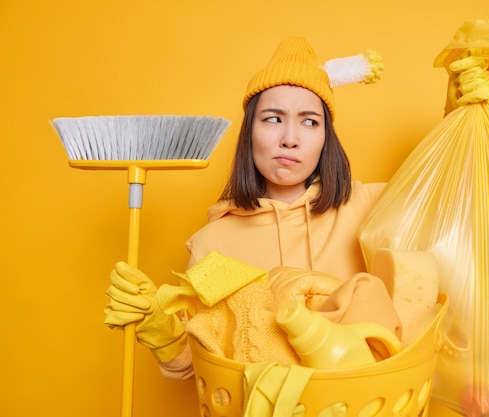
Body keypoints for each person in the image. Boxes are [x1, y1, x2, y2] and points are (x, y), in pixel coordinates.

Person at [104, 36, 389, 379]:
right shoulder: (213, 243)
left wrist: (462, 112)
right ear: (249, 131)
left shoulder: (373, 206)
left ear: (326, 138)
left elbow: (459, 198)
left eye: (310, 121)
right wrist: (160, 330)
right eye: (273, 118)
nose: (290, 138)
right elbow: (194, 367)